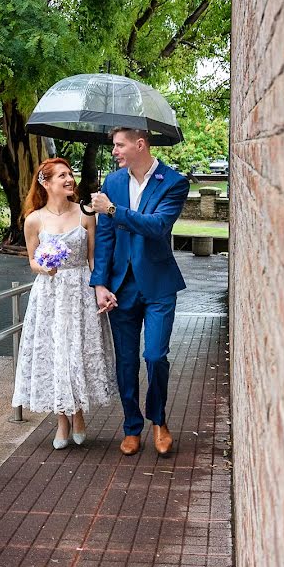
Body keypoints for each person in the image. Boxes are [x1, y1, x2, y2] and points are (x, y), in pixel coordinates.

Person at [89, 127, 190, 456]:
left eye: (120, 145)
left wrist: (114, 210)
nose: (115, 151)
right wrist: (100, 284)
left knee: (155, 356)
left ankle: (158, 420)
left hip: (159, 285)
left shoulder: (173, 182)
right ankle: (132, 425)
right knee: (127, 362)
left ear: (140, 144)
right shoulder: (113, 183)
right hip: (121, 287)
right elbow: (104, 238)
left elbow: (158, 227)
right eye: (115, 146)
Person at [12, 157, 118, 449]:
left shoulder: (85, 214)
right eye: (62, 176)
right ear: (46, 183)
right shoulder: (34, 220)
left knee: (78, 352)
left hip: (81, 290)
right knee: (56, 352)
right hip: (50, 294)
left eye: (70, 174)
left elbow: (93, 256)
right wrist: (43, 267)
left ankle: (80, 414)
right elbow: (32, 259)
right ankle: (61, 420)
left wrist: (100, 286)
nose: (70, 179)